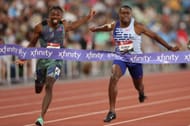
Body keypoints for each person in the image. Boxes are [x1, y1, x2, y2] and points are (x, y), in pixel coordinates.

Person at [90, 5, 179, 123]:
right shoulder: (115, 25)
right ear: (119, 14)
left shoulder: (137, 26)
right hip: (120, 58)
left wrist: (169, 47)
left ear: (131, 15)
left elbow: (155, 36)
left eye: (128, 13)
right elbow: (106, 27)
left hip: (135, 60)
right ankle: (112, 111)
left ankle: (141, 92)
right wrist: (96, 29)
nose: (125, 15)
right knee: (114, 76)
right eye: (123, 13)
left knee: (138, 85)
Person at [16, 6, 95, 126]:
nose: (55, 17)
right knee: (38, 89)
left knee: (49, 85)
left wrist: (88, 17)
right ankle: (39, 81)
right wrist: (23, 58)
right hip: (42, 61)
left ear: (61, 17)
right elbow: (32, 43)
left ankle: (41, 117)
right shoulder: (40, 27)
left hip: (57, 60)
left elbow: (74, 25)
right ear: (49, 15)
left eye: (58, 15)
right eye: (53, 14)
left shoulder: (63, 26)